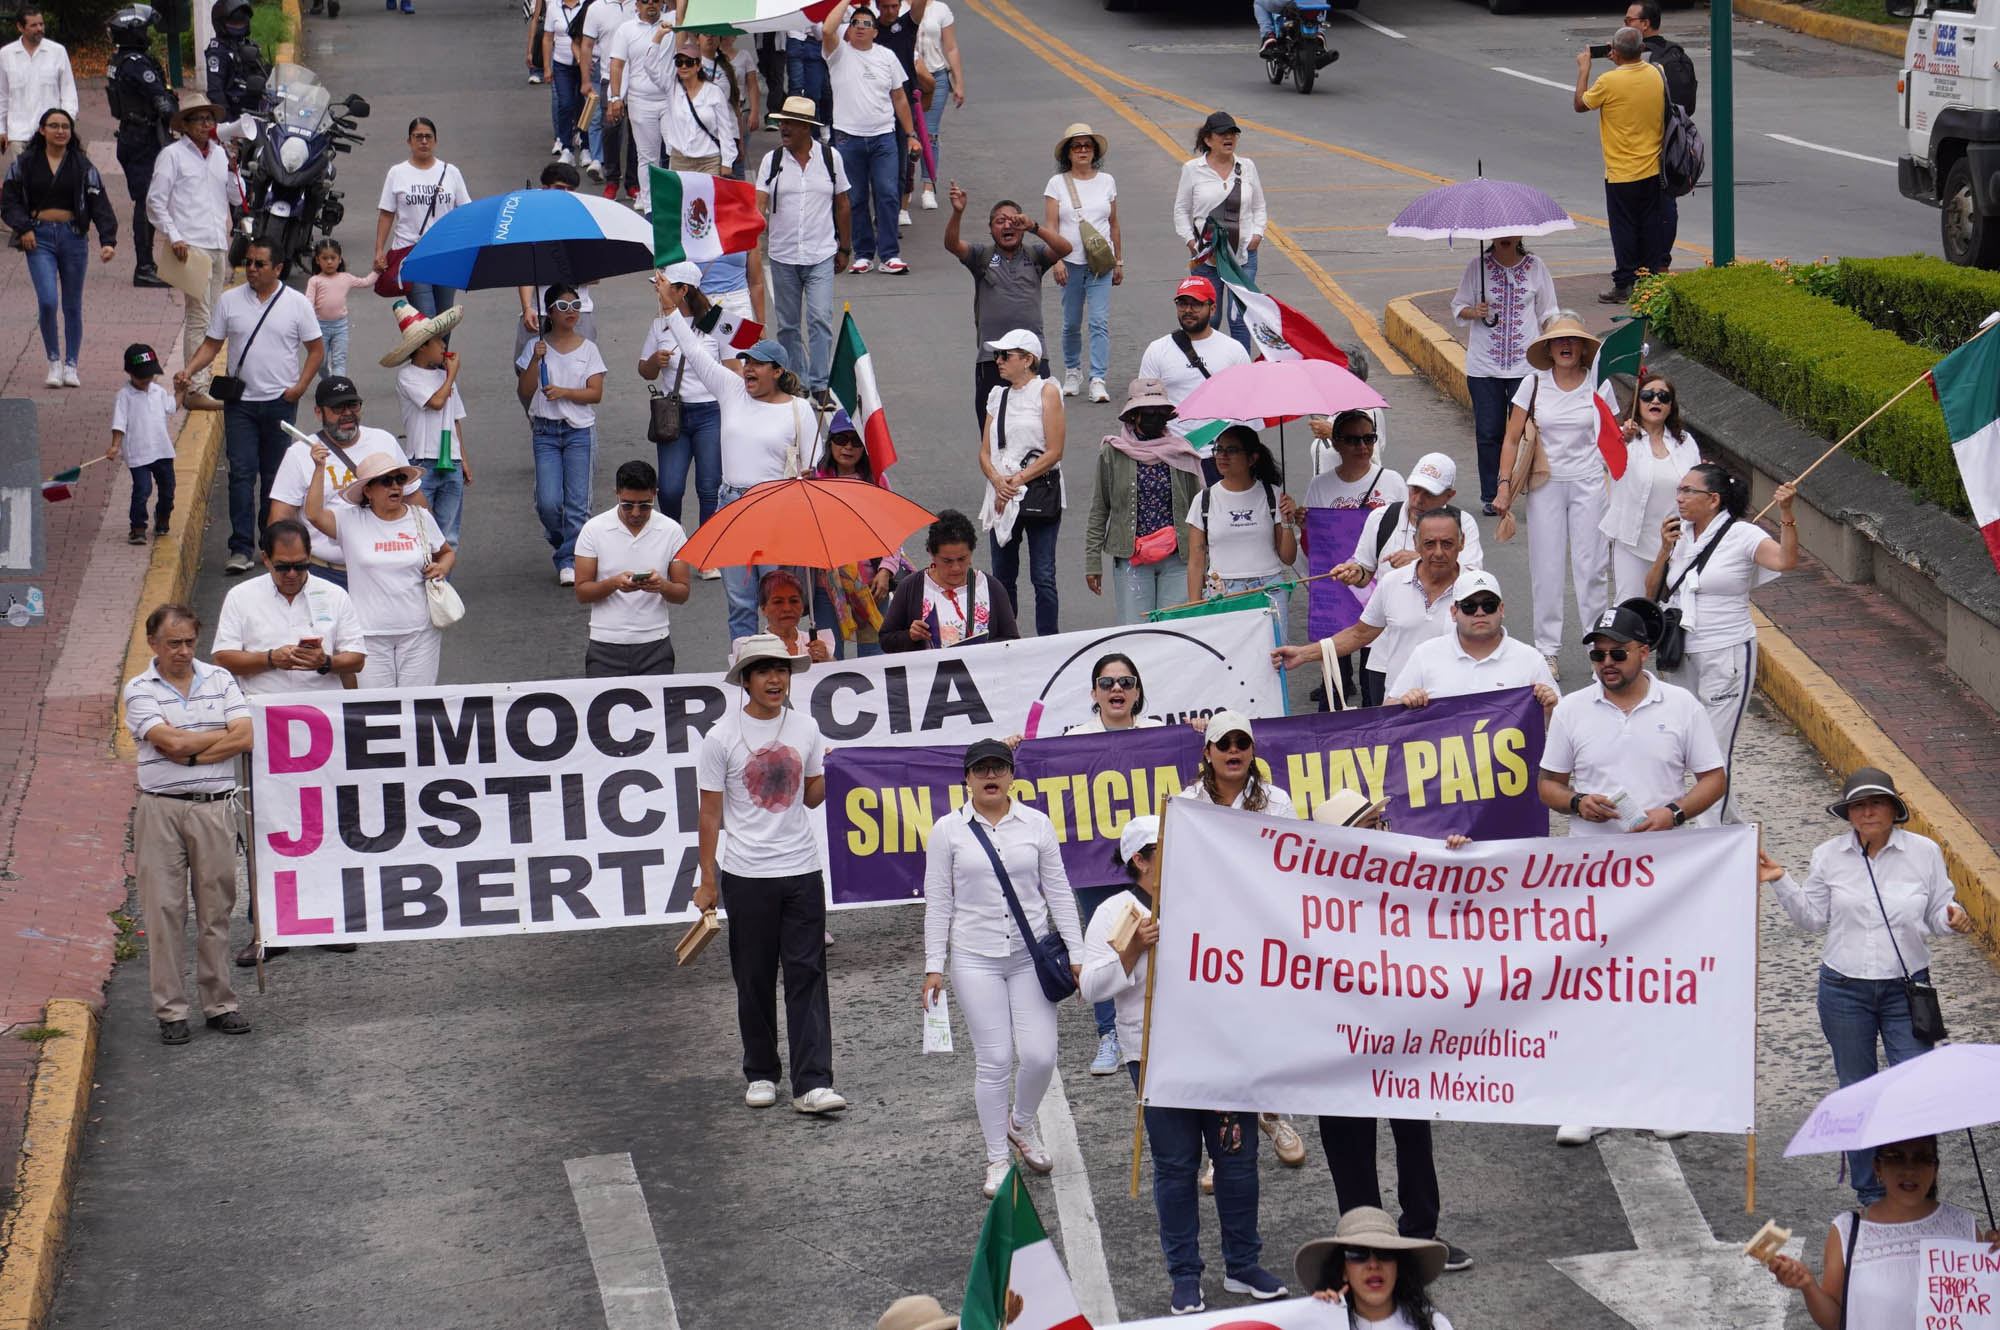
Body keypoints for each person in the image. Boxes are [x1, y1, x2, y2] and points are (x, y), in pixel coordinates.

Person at [1083, 814, 1288, 1314]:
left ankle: (1242, 1265)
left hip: (1222, 1051)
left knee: (1236, 1159)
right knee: (1176, 1166)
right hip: (1158, 1058)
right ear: (1141, 859)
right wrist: (1133, 950)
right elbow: (1089, 987)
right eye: (1168, 849)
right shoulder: (1117, 910)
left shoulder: (1212, 894)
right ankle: (1185, 1276)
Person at [1538, 601, 1723, 1146]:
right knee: (1588, 987)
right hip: (1589, 874)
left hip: (1662, 874)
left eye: (1617, 652)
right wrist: (1576, 804)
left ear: (1644, 651)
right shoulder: (1573, 709)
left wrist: (1676, 813)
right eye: (1597, 654)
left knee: (1655, 985)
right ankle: (1587, 1100)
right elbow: (1548, 783)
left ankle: (1658, 1096)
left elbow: (1713, 777)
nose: (1605, 663)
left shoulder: (1682, 706)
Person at [1762, 769, 1972, 1207]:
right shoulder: (1828, 856)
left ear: (1895, 809)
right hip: (1843, 990)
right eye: (1859, 805)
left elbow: (1937, 911)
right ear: (1849, 814)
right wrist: (1782, 881)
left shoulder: (1924, 852)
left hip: (1907, 990)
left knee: (1913, 1090)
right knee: (1856, 1089)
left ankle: (1919, 1188)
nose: (1868, 811)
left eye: (1877, 802)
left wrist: (1953, 917)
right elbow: (1812, 919)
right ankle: (1871, 1191)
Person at [1306, 798, 1473, 1278]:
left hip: (1400, 1027)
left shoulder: (1401, 871)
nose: (1384, 827)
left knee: (1413, 1130)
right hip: (1339, 1033)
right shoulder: (1307, 891)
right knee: (1348, 1138)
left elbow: (1451, 895)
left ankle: (1421, 1230)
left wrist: (1455, 856)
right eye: (1373, 823)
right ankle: (1365, 1239)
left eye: (1381, 821)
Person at [923, 737, 1083, 1197]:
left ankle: (1021, 1124)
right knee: (993, 1060)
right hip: (975, 958)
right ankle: (996, 1157)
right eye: (981, 770)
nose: (990, 776)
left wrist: (1077, 955)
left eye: (999, 768)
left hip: (1030, 957)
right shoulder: (947, 831)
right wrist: (935, 965)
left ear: (1013, 775)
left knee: (1039, 1055)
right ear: (967, 778)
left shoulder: (1036, 824)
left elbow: (1058, 890)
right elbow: (939, 901)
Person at [695, 635, 847, 1116]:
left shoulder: (805, 727)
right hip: (746, 874)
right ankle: (761, 1072)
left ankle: (813, 1082)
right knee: (754, 977)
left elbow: (811, 797)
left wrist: (836, 769)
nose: (775, 679)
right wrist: (707, 879)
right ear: (745, 680)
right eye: (763, 671)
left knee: (807, 973)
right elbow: (709, 815)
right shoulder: (720, 738)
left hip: (802, 869)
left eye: (781, 669)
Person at [123, 603, 253, 1045]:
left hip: (214, 808)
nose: (182, 651)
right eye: (173, 643)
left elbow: (247, 734)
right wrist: (218, 738)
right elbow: (172, 740)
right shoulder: (139, 689)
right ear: (153, 644)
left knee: (216, 910)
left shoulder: (220, 679)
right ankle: (171, 1012)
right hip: (160, 810)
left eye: (189, 642)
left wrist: (190, 752)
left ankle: (220, 1004)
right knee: (163, 912)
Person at [655, 284, 815, 641]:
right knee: (741, 602)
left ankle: (781, 664)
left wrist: (809, 475)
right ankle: (745, 670)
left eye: (757, 364)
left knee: (778, 597)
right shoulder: (730, 390)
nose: (747, 369)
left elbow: (813, 463)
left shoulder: (798, 408)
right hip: (731, 508)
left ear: (777, 371)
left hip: (775, 509)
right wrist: (670, 309)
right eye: (745, 362)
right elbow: (695, 351)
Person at [1646, 464, 1798, 823]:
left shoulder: (1743, 535)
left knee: (1713, 754)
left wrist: (1787, 514)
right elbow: (1653, 591)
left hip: (1727, 653)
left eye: (1688, 491)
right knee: (1689, 746)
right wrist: (1664, 550)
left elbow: (1785, 560)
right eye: (1679, 490)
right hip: (1682, 653)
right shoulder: (1678, 534)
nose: (1679, 498)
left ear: (1713, 500)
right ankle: (1742, 842)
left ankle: (1707, 841)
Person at [177, 237, 325, 576]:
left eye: (259, 264)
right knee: (241, 475)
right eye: (248, 263)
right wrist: (189, 370)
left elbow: (316, 349)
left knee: (274, 478)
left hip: (279, 405)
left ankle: (268, 542)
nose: (252, 270)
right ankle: (240, 547)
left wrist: (300, 387)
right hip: (239, 405)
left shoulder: (296, 304)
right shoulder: (229, 301)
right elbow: (212, 345)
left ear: (278, 268)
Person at [1766, 1136, 1999, 1330]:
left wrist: (1995, 1263)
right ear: (1878, 1167)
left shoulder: (1963, 1226)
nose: (1909, 1170)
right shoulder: (1847, 1232)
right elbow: (1837, 1322)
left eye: (1921, 1158)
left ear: (1935, 1168)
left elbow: (1984, 1312)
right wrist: (1808, 1286)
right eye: (1896, 1157)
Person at [1493, 314, 1611, 679]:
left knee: (1591, 569)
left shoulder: (1597, 385)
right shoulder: (1533, 384)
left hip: (1590, 482)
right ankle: (1547, 651)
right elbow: (1512, 438)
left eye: (1573, 341)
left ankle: (1599, 648)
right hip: (1545, 483)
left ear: (1582, 348)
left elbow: (1612, 439)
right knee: (1546, 568)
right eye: (1559, 341)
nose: (1566, 346)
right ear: (1548, 348)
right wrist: (1503, 485)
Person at [303, 447, 455, 688]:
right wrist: (319, 468)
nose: (395, 486)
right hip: (368, 635)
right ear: (368, 490)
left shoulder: (420, 517)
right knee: (378, 710)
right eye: (385, 481)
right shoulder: (349, 520)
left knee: (416, 708)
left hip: (420, 631)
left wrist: (442, 568)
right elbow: (313, 515)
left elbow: (446, 552)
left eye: (399, 479)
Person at [1284, 507, 1464, 707]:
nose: (1438, 552)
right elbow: (1359, 634)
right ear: (1416, 544)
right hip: (1400, 706)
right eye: (1429, 543)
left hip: (1458, 709)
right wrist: (1303, 654)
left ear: (1461, 542)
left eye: (1447, 543)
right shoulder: (1391, 583)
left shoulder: (1476, 588)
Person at [267, 375, 427, 591]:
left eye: (353, 405)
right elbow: (279, 519)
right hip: (326, 573)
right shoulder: (299, 454)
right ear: (318, 412)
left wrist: (428, 553)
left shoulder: (384, 441)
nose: (347, 413)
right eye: (337, 408)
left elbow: (416, 502)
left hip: (385, 570)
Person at [147, 90, 253, 403]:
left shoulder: (220, 154)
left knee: (211, 314)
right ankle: (195, 387)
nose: (207, 124)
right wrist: (174, 235)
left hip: (218, 242)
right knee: (199, 316)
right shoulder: (172, 156)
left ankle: (199, 382)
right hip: (190, 244)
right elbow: (155, 202)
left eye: (210, 118)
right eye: (200, 119)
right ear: (186, 124)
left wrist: (235, 163)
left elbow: (236, 198)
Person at [2, 107, 117, 389]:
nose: (60, 131)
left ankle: (71, 365)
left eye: (65, 126)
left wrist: (107, 240)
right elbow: (8, 201)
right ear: (42, 130)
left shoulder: (82, 164)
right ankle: (53, 360)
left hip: (74, 237)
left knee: (72, 304)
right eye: (53, 126)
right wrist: (24, 227)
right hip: (38, 238)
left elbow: (98, 202)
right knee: (48, 300)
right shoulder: (26, 162)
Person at [945, 182, 1070, 428]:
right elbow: (952, 244)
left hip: (1033, 358)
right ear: (991, 230)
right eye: (1000, 221)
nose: (1007, 225)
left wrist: (1034, 226)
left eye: (1014, 220)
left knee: (1038, 427)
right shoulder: (980, 256)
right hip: (992, 360)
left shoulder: (1035, 256)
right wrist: (958, 212)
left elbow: (1065, 248)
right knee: (993, 431)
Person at [1452, 237, 1558, 512]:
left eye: (1513, 233)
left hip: (1526, 367)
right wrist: (1475, 311)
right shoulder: (1478, 267)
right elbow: (1458, 307)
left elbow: (1548, 311)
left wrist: (1556, 345)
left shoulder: (1536, 267)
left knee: (1527, 432)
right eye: (1501, 233)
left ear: (1521, 236)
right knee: (1489, 432)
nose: (1506, 238)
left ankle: (1527, 487)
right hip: (1484, 366)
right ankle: (1491, 495)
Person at [1086, 376, 1202, 624]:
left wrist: (1206, 560)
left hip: (1178, 559)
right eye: (1147, 411)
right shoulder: (1112, 452)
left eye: (1160, 411)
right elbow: (1100, 508)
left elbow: (1200, 510)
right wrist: (1092, 561)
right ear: (1133, 415)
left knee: (1175, 631)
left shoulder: (1182, 451)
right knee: (1136, 633)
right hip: (1132, 558)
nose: (1154, 416)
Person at [758, 96, 852, 397]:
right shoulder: (771, 162)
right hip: (783, 255)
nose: (782, 128)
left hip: (820, 253)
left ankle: (821, 383)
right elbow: (759, 203)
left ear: (805, 128)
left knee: (820, 318)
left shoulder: (830, 159)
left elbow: (843, 204)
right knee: (787, 325)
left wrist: (845, 248)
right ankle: (797, 381)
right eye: (781, 122)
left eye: (789, 123)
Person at [516, 281, 607, 587]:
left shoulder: (589, 349)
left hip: (579, 432)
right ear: (550, 312)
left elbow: (595, 394)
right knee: (548, 503)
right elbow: (525, 390)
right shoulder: (535, 347)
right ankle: (565, 542)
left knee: (578, 504)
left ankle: (569, 559)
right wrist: (535, 359)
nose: (571, 312)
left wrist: (565, 392)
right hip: (545, 433)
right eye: (564, 307)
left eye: (576, 306)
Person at [211, 518, 367, 695]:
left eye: (300, 566)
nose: (292, 574)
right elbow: (222, 658)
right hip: (264, 709)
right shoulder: (240, 596)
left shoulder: (335, 595)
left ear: (309, 555)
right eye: (283, 567)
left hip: (324, 708)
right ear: (266, 559)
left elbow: (357, 658)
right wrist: (270, 659)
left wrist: (325, 662)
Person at [979, 328, 1065, 638]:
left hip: (1037, 491)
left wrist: (1014, 481)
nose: (998, 361)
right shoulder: (996, 395)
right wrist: (996, 480)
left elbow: (1054, 450)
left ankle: (1047, 640)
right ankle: (1007, 640)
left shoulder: (1047, 392)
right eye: (997, 355)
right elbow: (985, 451)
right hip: (1002, 495)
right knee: (1003, 577)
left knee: (1043, 576)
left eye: (1005, 355)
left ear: (1028, 360)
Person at [1575, 28, 1667, 305]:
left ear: (1614, 52)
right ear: (1641, 50)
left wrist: (1585, 68)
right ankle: (1648, 280)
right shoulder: (1655, 73)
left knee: (1624, 228)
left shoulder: (1609, 81)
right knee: (1650, 226)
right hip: (1653, 167)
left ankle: (1623, 282)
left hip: (1621, 172)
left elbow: (1580, 104)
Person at [574, 459, 691, 676]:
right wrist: (614, 583)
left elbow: (682, 593)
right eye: (627, 504)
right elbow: (582, 592)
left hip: (655, 643)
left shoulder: (672, 531)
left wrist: (661, 586)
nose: (636, 513)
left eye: (645, 505)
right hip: (605, 643)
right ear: (616, 493)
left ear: (655, 494)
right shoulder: (593, 530)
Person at [823, 0, 915, 275]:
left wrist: (910, 135)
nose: (860, 28)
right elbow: (828, 29)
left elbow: (899, 97)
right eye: (855, 24)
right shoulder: (837, 54)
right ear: (848, 30)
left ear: (876, 31)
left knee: (888, 194)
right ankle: (863, 254)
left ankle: (889, 255)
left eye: (867, 24)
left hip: (883, 137)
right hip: (847, 138)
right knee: (857, 197)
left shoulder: (886, 57)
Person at [1389, 568, 1557, 717]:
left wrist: (1549, 709)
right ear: (1454, 613)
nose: (1480, 613)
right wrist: (1403, 704)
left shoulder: (1530, 660)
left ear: (1501, 610)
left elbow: (1560, 725)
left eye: (1488, 605)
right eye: (1469, 606)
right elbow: (1386, 714)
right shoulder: (1425, 654)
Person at [639, 262, 724, 535]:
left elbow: (738, 364)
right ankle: (674, 540)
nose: (658, 291)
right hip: (673, 414)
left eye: (663, 287)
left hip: (711, 413)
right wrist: (654, 360)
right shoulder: (659, 325)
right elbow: (645, 371)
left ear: (683, 290)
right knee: (671, 488)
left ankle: (707, 546)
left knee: (709, 486)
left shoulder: (718, 321)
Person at [1602, 373, 1701, 602]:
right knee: (1631, 607)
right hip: (1632, 541)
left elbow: (1697, 482)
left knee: (1671, 609)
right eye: (1648, 395)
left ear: (1670, 406)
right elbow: (1603, 459)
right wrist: (1622, 439)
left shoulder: (1685, 441)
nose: (1655, 401)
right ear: (1638, 401)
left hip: (1676, 543)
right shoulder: (1623, 438)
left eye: (1663, 397)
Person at [809, 411, 901, 657]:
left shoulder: (877, 480)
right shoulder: (814, 482)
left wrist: (886, 570)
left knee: (874, 656)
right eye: (841, 439)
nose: (848, 447)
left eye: (856, 441)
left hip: (873, 584)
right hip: (827, 586)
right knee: (830, 656)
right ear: (830, 443)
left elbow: (892, 530)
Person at [1174, 111, 1266, 353]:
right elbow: (1181, 210)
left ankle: (1242, 374)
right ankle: (1206, 370)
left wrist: (1257, 235)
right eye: (1222, 134)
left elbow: (1259, 206)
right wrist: (1191, 242)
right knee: (1208, 319)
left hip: (1243, 259)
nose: (1229, 138)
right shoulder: (1193, 169)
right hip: (1207, 260)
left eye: (1233, 134)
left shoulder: (1247, 167)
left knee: (1239, 319)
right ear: (1208, 139)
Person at [1186, 425, 1296, 625]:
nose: (1222, 456)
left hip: (1269, 589)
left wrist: (1288, 522)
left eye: (1232, 450)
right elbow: (1196, 560)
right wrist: (1194, 608)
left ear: (1252, 458)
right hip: (1222, 592)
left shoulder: (1273, 495)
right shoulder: (1203, 499)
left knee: (1273, 655)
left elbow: (1288, 557)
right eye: (1218, 449)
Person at [385, 298, 471, 547]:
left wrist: (462, 458)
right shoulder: (408, 376)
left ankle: (442, 586)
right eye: (438, 341)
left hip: (450, 460)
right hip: (423, 461)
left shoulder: (444, 375)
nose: (443, 345)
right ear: (422, 347)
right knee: (422, 532)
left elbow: (455, 418)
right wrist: (452, 374)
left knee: (449, 536)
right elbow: (436, 402)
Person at [1044, 123, 1120, 404]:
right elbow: (1051, 226)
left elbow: (1113, 224)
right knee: (1071, 322)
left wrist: (1119, 260)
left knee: (1099, 321)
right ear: (1068, 153)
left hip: (1101, 261)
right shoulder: (1056, 184)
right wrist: (1057, 261)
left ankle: (1097, 378)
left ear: (1095, 151)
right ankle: (1073, 371)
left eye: (1088, 146)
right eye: (1077, 146)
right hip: (1071, 262)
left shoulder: (1107, 181)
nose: (1083, 150)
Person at [103, 4, 175, 289]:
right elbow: (161, 100)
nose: (149, 35)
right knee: (146, 203)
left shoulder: (119, 60)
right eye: (145, 30)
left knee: (150, 200)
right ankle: (144, 267)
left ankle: (151, 263)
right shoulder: (136, 63)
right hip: (143, 138)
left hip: (132, 135)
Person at [1332, 452, 1483, 586]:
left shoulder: (1463, 523)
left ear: (1448, 496)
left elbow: (1473, 580)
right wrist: (1357, 574)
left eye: (1429, 494)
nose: (1418, 500)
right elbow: (1365, 570)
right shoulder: (1381, 518)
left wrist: (1422, 560)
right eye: (1415, 489)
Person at [878, 508, 1020, 650]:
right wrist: (910, 636)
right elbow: (886, 640)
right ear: (932, 554)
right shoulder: (911, 587)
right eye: (947, 561)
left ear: (971, 551)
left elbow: (1012, 641)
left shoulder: (991, 587)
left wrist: (979, 651)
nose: (956, 568)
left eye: (962, 559)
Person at [1137, 276, 1251, 451]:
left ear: (1212, 309)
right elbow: (1144, 404)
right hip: (1173, 453)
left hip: (1220, 456)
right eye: (1182, 304)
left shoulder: (1234, 350)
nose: (1188, 310)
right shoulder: (1157, 350)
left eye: (1196, 304)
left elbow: (1246, 406)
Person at [1296, 1207, 1457, 1330]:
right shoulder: (1325, 1325)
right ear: (1343, 1271)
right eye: (1358, 1254)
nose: (1373, 1264)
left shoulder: (1433, 1324)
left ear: (1399, 1268)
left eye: (1385, 1254)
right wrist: (1315, 1318)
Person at [375, 118, 469, 321]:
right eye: (418, 137)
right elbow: (386, 214)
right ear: (409, 141)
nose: (424, 141)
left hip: (445, 255)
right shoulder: (397, 173)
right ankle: (431, 353)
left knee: (444, 319)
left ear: (435, 141)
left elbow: (465, 212)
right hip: (412, 256)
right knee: (427, 321)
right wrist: (379, 250)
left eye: (428, 137)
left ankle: (439, 354)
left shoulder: (451, 172)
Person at [107, 343, 178, 545]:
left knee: (168, 489)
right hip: (138, 454)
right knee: (142, 490)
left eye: (150, 375)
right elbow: (119, 424)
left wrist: (180, 390)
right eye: (142, 376)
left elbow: (172, 407)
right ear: (129, 372)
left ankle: (163, 518)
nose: (147, 380)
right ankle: (138, 527)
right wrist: (115, 445)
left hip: (162, 451)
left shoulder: (158, 391)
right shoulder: (124, 396)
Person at [607, 0, 672, 214]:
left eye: (655, 0)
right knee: (647, 156)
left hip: (671, 99)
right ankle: (650, 206)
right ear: (637, 5)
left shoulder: (672, 22)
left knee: (675, 151)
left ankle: (672, 200)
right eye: (645, 1)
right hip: (640, 100)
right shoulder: (626, 30)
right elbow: (617, 65)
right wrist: (616, 97)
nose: (650, 4)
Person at [0, 7, 75, 158]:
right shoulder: (6, 54)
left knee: (51, 179)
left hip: (51, 135)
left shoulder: (58, 52)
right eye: (33, 25)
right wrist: (1, 130)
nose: (39, 29)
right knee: (23, 180)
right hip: (19, 135)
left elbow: (69, 92)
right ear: (20, 27)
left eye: (41, 24)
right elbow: (2, 95)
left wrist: (67, 126)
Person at [912, 0, 963, 211]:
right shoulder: (894, 6)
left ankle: (928, 187)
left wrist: (959, 82)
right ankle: (901, 191)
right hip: (907, 75)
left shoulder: (941, 9)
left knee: (929, 132)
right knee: (906, 134)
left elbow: (950, 47)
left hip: (937, 75)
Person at [663, 31, 734, 173]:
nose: (683, 66)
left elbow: (725, 130)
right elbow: (649, 66)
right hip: (680, 160)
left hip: (709, 161)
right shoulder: (672, 88)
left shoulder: (714, 92)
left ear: (698, 65)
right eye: (679, 62)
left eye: (688, 62)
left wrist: (727, 163)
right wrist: (658, 37)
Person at [304, 239, 374, 380]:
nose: (329, 262)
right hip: (319, 328)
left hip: (340, 327)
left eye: (333, 258)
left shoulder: (346, 278)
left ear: (340, 259)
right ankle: (327, 380)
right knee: (320, 362)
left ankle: (337, 388)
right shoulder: (315, 281)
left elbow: (365, 282)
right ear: (318, 260)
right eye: (325, 258)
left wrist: (377, 271)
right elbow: (308, 303)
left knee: (339, 361)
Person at [545, 0, 591, 169]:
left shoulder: (587, 5)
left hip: (584, 64)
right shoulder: (553, 7)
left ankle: (586, 146)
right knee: (565, 104)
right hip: (561, 64)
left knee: (583, 105)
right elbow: (548, 38)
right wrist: (546, 67)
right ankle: (567, 148)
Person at [203, 0, 267, 120]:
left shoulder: (248, 45)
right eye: (234, 21)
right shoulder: (217, 51)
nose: (239, 25)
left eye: (242, 20)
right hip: (236, 115)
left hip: (257, 111)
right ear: (220, 22)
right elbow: (215, 91)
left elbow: (265, 77)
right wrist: (229, 123)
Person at [756, 569, 834, 663]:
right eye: (778, 602)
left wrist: (826, 659)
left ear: (802, 606)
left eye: (794, 601)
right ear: (763, 609)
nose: (787, 608)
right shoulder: (754, 649)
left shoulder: (817, 642)